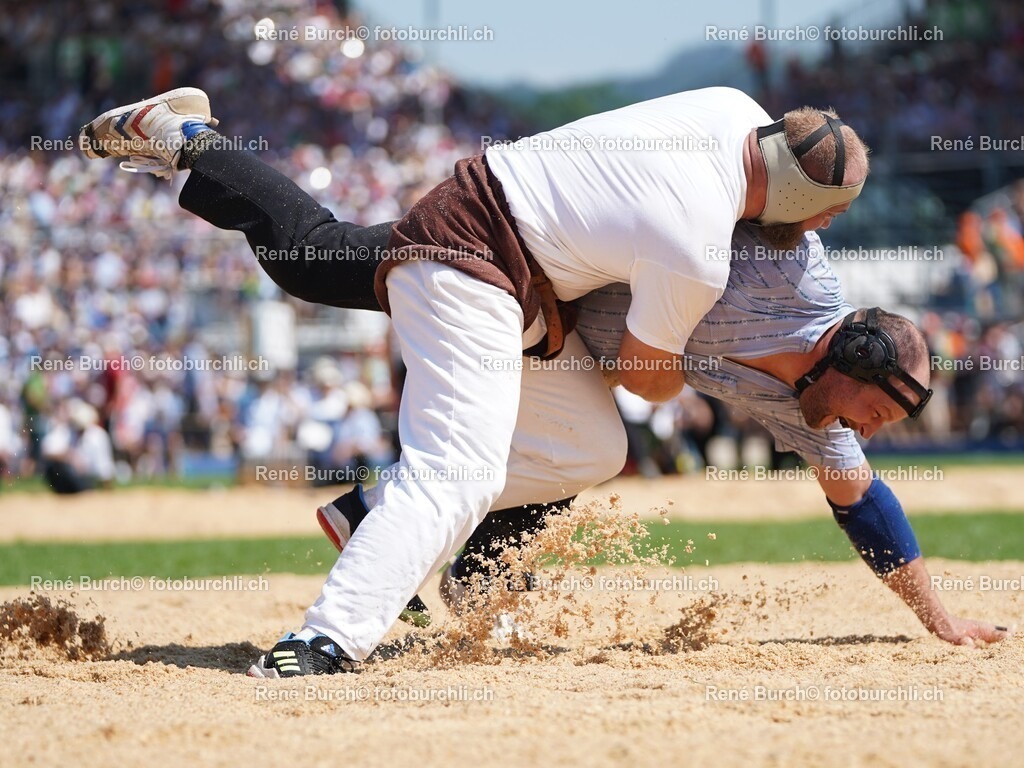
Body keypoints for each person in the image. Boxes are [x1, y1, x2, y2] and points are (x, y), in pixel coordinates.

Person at [79, 85, 870, 677]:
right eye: (826, 213)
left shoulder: (735, 105)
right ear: (799, 193)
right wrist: (698, 364)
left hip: (510, 250)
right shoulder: (698, 246)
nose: (824, 229)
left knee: (589, 445)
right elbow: (642, 378)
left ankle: (183, 144)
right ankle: (322, 640)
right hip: (477, 262)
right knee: (459, 469)